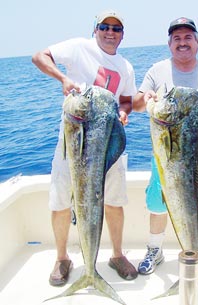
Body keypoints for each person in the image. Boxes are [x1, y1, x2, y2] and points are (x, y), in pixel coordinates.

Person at [32, 9, 138, 286]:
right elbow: (39, 57)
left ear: (122, 35)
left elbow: (126, 100)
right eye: (105, 27)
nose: (110, 32)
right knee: (61, 200)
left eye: (116, 29)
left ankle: (116, 255)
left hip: (108, 142)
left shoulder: (126, 66)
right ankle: (62, 258)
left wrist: (125, 112)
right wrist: (63, 79)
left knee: (114, 201)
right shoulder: (79, 47)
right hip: (74, 140)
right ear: (95, 29)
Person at [132, 17, 198, 277]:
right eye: (176, 38)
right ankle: (154, 249)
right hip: (166, 159)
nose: (182, 42)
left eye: (188, 37)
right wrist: (147, 97)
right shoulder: (156, 71)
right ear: (169, 44)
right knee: (158, 205)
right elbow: (137, 103)